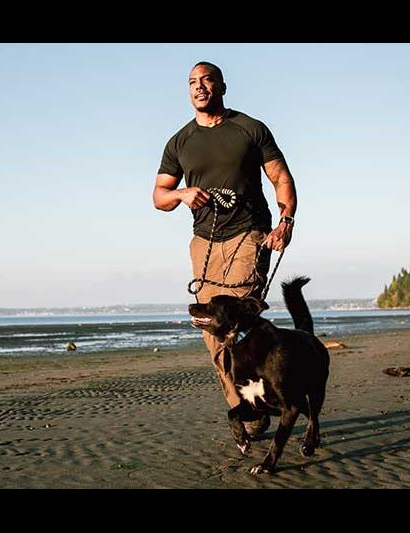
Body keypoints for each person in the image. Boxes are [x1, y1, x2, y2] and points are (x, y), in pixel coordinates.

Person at [152, 61, 298, 436]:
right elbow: (159, 196)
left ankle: (262, 397)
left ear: (222, 86)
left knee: (240, 324)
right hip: (204, 244)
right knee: (212, 335)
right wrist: (182, 193)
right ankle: (244, 407)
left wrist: (286, 222)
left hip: (249, 235)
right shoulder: (180, 141)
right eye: (192, 83)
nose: (199, 87)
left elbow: (280, 176)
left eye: (206, 80)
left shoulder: (249, 128)